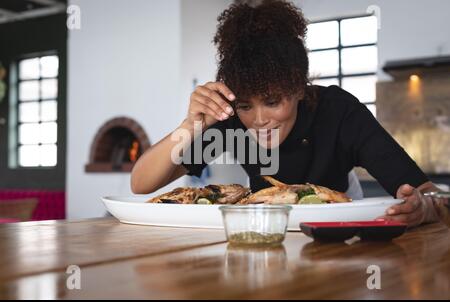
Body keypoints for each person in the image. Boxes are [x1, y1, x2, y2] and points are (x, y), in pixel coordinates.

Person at [131, 0, 448, 227]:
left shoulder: (338, 111)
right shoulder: (226, 117)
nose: (258, 119)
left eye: (272, 101)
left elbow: (427, 193)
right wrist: (189, 125)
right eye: (245, 105)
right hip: (261, 231)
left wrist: (426, 207)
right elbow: (141, 184)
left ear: (299, 88)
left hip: (337, 230)